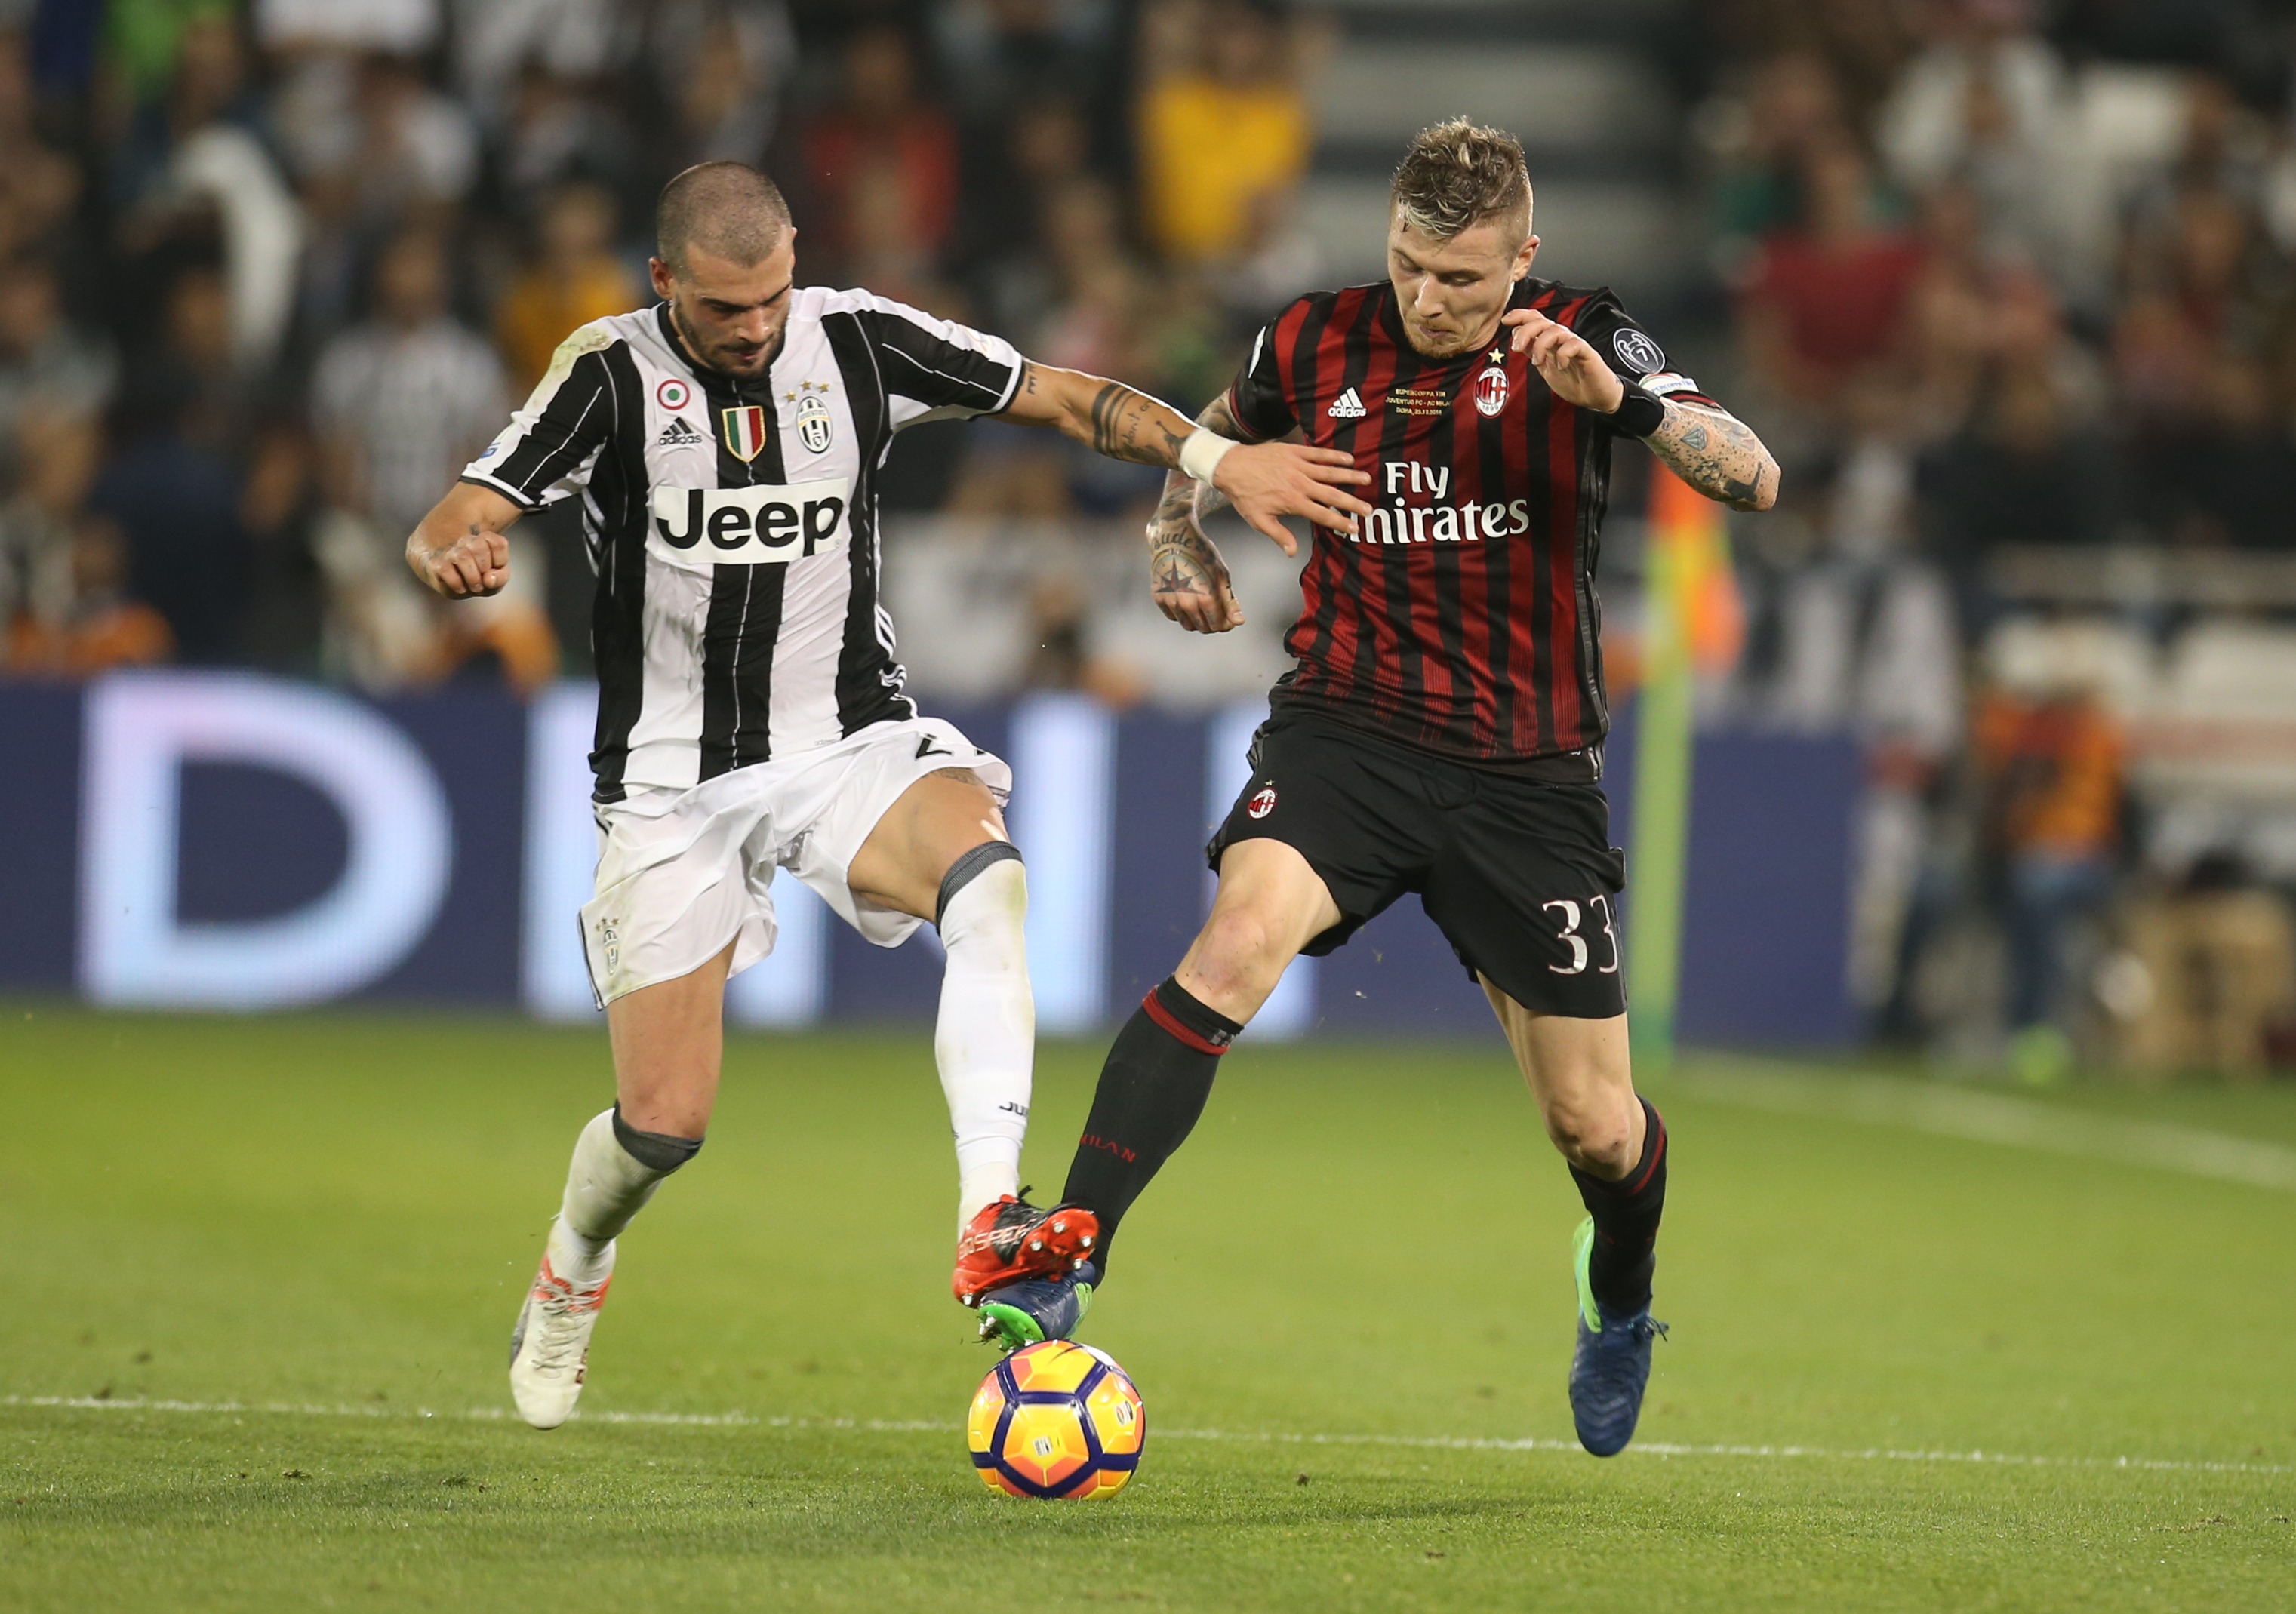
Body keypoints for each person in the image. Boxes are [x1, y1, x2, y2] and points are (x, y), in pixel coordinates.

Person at [400, 161, 1370, 1429]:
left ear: (796, 258)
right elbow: (459, 508)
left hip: (848, 739)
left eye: (768, 299)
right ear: (662, 284)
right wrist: (453, 549)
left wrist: (1209, 456)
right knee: (664, 1124)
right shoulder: (606, 371)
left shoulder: (859, 340)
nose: (753, 329)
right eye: (721, 309)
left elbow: (1063, 397)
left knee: (989, 881)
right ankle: (572, 1266)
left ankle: (989, 1216)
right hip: (669, 781)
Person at [978, 121, 1781, 1461]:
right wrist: (1179, 539)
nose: (1428, 299)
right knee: (1233, 944)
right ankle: (1067, 1252)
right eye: (1409, 266)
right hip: (1346, 733)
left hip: (1526, 774)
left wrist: (1623, 406)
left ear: (1521, 258)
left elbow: (1751, 475)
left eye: (1463, 279)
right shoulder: (1309, 341)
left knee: (1593, 1123)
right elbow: (1202, 454)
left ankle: (1621, 1295)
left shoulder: (1584, 335)